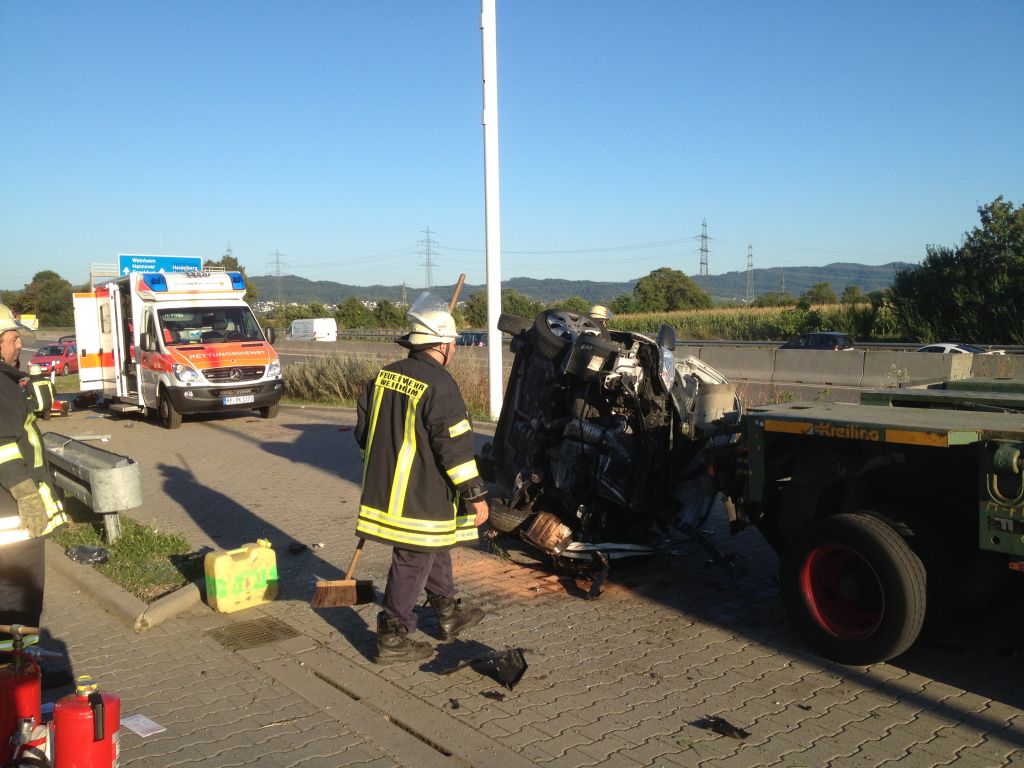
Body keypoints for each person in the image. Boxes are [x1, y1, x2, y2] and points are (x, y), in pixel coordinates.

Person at [354, 296, 489, 664]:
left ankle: (447, 611)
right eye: (454, 343)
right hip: (420, 492)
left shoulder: (384, 375)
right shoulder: (440, 385)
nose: (455, 349)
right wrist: (476, 495)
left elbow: (364, 434)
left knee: (434, 545)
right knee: (414, 556)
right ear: (443, 345)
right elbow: (456, 448)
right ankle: (393, 632)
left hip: (387, 489)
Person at [0, 304, 68, 634]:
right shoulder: (0, 385)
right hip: (11, 512)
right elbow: (2, 445)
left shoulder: (9, 382)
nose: (18, 345)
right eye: (13, 338)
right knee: (19, 592)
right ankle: (19, 667)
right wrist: (26, 493)